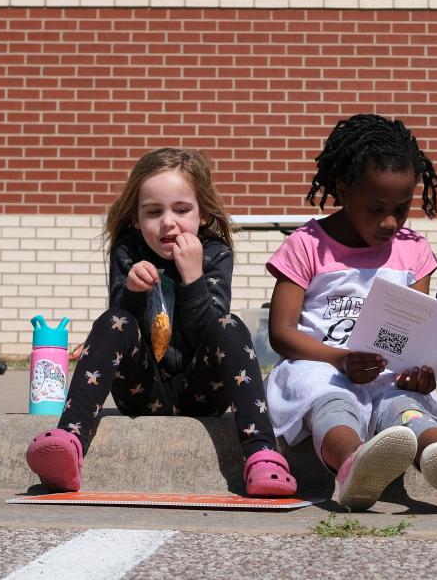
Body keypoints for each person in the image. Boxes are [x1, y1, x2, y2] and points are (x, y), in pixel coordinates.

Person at [25, 148, 296, 497]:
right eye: (154, 212)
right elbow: (122, 330)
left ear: (203, 214)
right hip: (142, 388)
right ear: (137, 219)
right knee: (114, 319)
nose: (168, 222)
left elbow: (208, 334)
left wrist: (194, 277)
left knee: (229, 325)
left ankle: (262, 454)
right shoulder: (128, 250)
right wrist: (133, 293)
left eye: (181, 210)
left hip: (202, 390)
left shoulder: (214, 253)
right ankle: (69, 440)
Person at [265, 114, 437, 512]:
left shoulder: (413, 251)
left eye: (402, 209)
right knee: (331, 403)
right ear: (342, 189)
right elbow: (281, 334)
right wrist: (340, 358)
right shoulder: (306, 245)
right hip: (321, 366)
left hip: (387, 373)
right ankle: (354, 463)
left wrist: (421, 370)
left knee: (404, 405)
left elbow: (420, 331)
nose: (390, 222)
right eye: (375, 208)